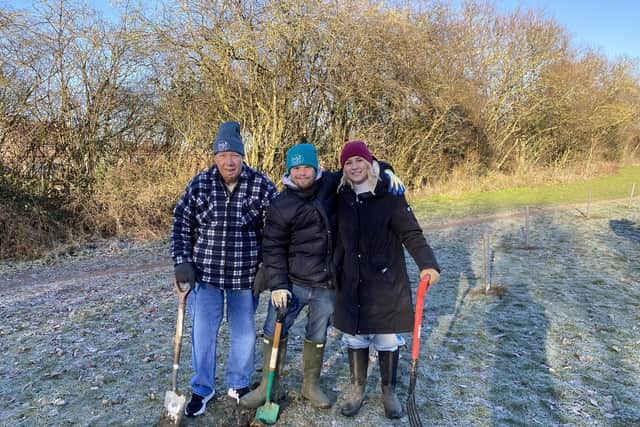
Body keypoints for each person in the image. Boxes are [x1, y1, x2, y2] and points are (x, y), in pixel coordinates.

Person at [240, 142, 406, 411]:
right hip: (292, 282)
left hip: (326, 282)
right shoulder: (280, 205)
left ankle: (310, 385)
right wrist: (278, 284)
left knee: (317, 333)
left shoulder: (331, 184)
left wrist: (385, 170)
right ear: (288, 170)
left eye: (307, 167)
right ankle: (267, 386)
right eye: (296, 168)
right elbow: (272, 247)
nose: (302, 173)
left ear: (315, 168)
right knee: (273, 331)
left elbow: (359, 166)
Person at [170, 121, 277, 417]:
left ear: (243, 157)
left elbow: (277, 230)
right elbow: (181, 224)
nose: (229, 161)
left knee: (244, 333)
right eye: (222, 155)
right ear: (215, 157)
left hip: (246, 277)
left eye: (234, 155)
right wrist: (182, 261)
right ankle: (202, 388)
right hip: (205, 276)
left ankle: (238, 383)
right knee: (203, 333)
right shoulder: (199, 184)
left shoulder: (261, 185)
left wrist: (268, 266)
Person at [333, 140, 440, 419]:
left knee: (386, 336)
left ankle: (388, 390)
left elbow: (411, 233)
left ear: (370, 163)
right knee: (355, 336)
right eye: (348, 163)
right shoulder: (340, 195)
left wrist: (427, 264)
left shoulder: (390, 194)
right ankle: (357, 389)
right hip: (352, 279)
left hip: (384, 279)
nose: (354, 167)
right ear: (343, 168)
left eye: (360, 161)